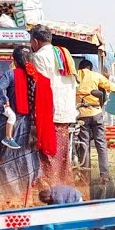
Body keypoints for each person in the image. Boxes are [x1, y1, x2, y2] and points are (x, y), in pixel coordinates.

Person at [28, 25, 80, 187]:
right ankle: (64, 187)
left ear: (35, 41)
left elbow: (39, 87)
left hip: (50, 112)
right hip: (66, 111)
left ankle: (53, 191)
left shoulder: (39, 57)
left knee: (49, 155)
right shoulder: (63, 53)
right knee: (63, 156)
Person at [0, 47, 43, 201]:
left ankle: (6, 196)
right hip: (31, 125)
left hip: (11, 126)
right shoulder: (37, 77)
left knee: (6, 158)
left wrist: (1, 106)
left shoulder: (10, 75)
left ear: (14, 60)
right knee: (27, 157)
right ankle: (26, 195)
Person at [75, 59, 115, 183]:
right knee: (101, 144)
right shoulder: (96, 75)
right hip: (96, 113)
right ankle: (104, 174)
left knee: (84, 144)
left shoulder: (75, 75)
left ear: (81, 67)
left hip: (81, 114)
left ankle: (85, 176)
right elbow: (112, 87)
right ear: (90, 67)